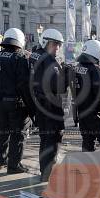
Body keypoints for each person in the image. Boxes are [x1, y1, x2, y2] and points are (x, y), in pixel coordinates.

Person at [0, 28, 34, 174]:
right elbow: (23, 85)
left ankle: (0, 160)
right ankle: (14, 165)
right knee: (18, 134)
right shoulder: (20, 57)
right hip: (16, 102)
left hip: (0, 101)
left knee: (3, 131)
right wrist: (31, 106)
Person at [29, 28, 67, 181]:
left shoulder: (34, 55)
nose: (57, 48)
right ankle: (48, 173)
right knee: (53, 139)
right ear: (45, 42)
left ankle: (44, 170)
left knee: (44, 139)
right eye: (54, 44)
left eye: (59, 45)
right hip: (51, 106)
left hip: (39, 104)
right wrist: (66, 73)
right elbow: (59, 86)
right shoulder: (50, 61)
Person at [71, 39, 100, 152]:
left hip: (82, 111)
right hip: (95, 113)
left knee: (87, 142)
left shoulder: (77, 67)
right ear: (95, 52)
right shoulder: (95, 70)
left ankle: (87, 168)